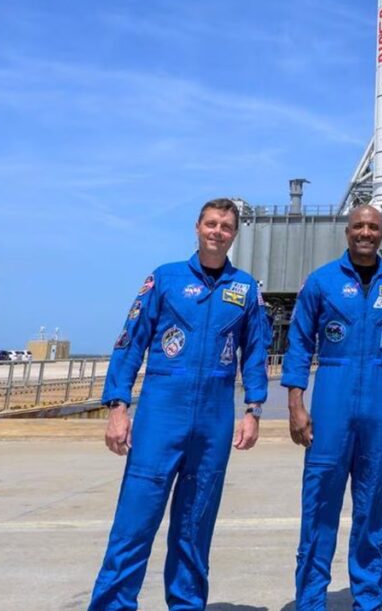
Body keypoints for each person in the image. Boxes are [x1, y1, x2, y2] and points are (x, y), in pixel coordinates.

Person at [90, 198, 270, 611]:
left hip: (213, 420)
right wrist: (118, 406)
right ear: (197, 227)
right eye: (211, 224)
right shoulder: (165, 279)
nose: (217, 231)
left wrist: (253, 410)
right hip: (161, 412)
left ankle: (187, 604)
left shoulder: (245, 289)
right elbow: (130, 341)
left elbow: (256, 354)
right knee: (134, 522)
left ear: (235, 234)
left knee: (194, 525)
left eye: (226, 226)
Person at [282, 204, 382, 610]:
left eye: (373, 227)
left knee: (373, 508)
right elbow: (299, 344)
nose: (366, 232)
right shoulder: (321, 282)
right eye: (359, 225)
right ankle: (310, 600)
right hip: (332, 399)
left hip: (379, 404)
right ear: (347, 232)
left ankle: (369, 598)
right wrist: (295, 401)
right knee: (319, 507)